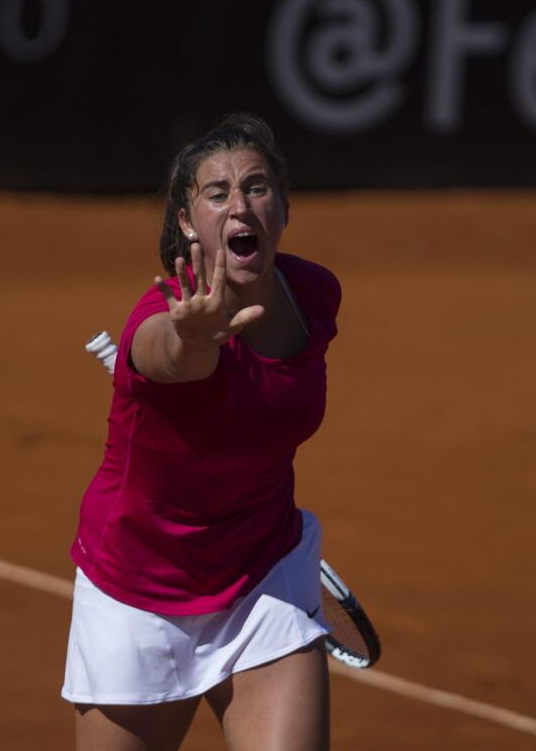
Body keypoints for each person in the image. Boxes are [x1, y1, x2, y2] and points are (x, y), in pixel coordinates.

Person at [61, 113, 340, 750]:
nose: (239, 205)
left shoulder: (315, 295)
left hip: (262, 573)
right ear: (188, 221)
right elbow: (166, 354)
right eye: (216, 194)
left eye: (257, 187)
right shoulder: (158, 321)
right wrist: (193, 336)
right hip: (139, 591)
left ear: (283, 207)